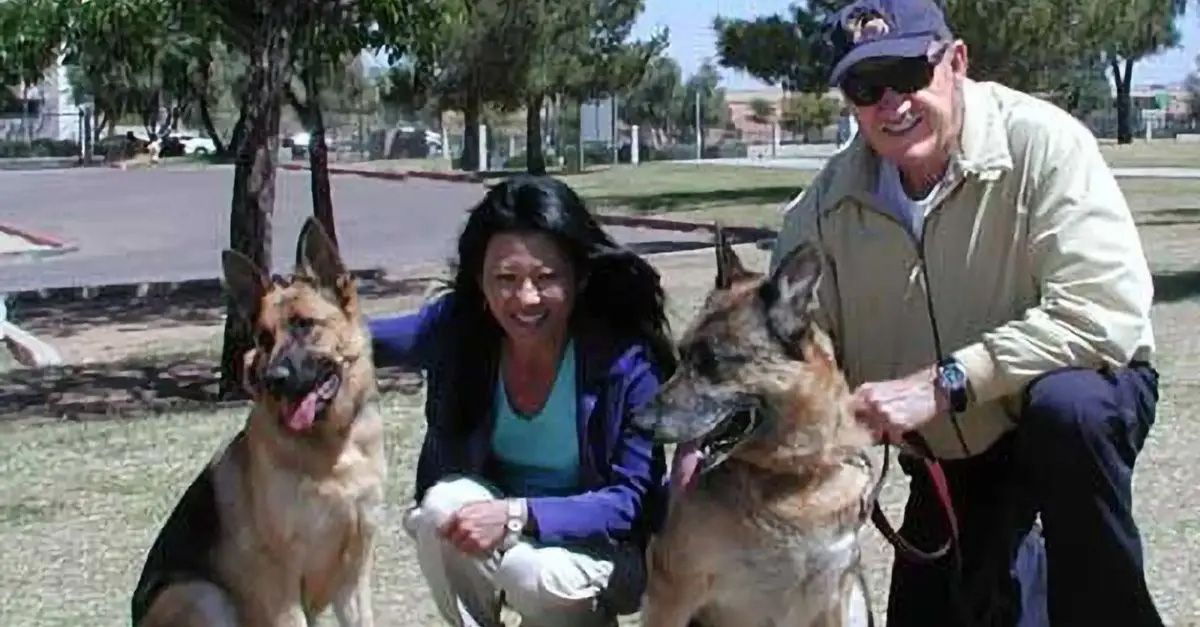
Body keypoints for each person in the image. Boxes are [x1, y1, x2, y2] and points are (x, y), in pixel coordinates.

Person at [769, 1, 1162, 626]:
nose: (891, 102)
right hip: (950, 456)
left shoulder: (1043, 143)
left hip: (1057, 418)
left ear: (955, 61)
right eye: (867, 86)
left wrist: (947, 381)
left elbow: (1101, 312)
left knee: (1072, 412)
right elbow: (780, 344)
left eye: (909, 72)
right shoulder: (823, 209)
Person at [368, 174, 676, 627]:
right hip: (512, 539)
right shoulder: (461, 328)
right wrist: (287, 344)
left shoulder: (625, 359)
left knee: (530, 573)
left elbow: (630, 500)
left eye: (546, 277)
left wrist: (517, 515)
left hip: (609, 552)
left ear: (579, 275)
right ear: (480, 279)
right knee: (440, 510)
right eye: (506, 278)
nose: (525, 298)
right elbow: (358, 340)